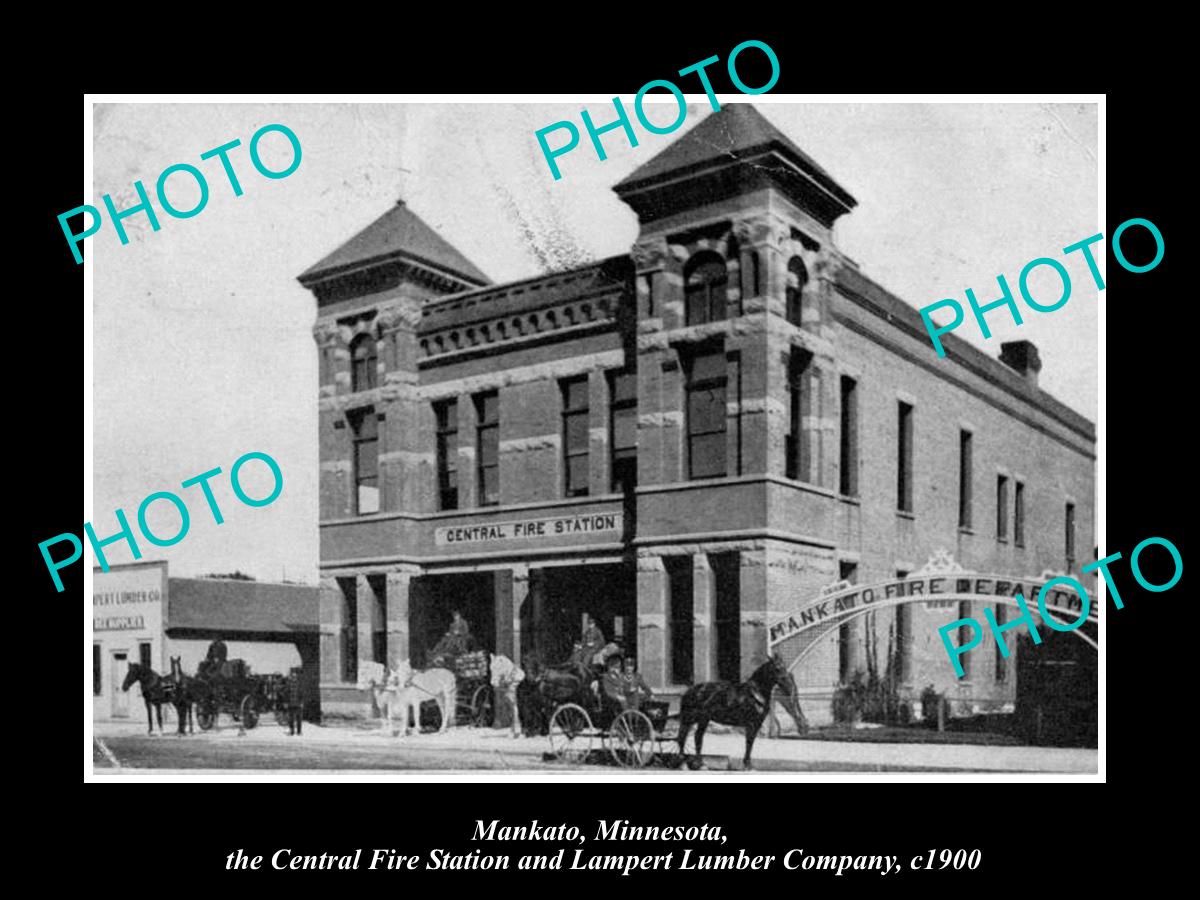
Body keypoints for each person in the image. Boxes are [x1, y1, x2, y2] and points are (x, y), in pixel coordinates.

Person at [623, 657, 670, 726]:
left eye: (631, 666)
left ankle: (654, 716)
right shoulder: (621, 677)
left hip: (636, 698)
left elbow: (644, 686)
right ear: (624, 667)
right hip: (627, 700)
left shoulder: (637, 676)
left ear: (634, 667)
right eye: (627, 666)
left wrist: (651, 694)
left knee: (647, 700)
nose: (628, 668)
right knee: (640, 700)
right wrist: (627, 690)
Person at [286, 667, 304, 736]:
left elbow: (302, 693)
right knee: (291, 718)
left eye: (295, 676)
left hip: (298, 703)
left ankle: (299, 731)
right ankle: (292, 731)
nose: (294, 677)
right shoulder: (289, 684)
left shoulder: (299, 684)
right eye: (293, 676)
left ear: (296, 677)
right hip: (291, 703)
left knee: (299, 718)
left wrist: (302, 702)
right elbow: (286, 693)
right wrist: (286, 702)